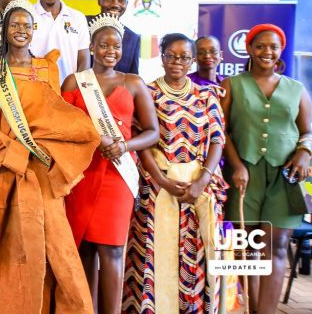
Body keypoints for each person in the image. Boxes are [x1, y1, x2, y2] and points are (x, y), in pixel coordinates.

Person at [0, 0, 99, 314]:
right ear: (5, 29)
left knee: (54, 241)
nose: (21, 30)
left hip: (37, 166)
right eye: (15, 24)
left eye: (26, 25)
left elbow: (56, 117)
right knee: (0, 241)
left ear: (33, 29)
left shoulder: (48, 67)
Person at [61, 13, 159, 313]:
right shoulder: (74, 82)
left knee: (113, 250)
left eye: (116, 46)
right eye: (104, 45)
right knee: (84, 249)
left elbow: (152, 132)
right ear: (92, 47)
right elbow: (62, 129)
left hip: (118, 176)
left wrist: (124, 145)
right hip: (82, 175)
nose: (110, 51)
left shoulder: (133, 83)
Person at [123, 33, 227, 314]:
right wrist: (161, 180)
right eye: (171, 55)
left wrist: (202, 181)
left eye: (184, 57)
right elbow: (142, 140)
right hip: (157, 186)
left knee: (195, 255)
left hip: (197, 186)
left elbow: (217, 140)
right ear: (162, 57)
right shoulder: (147, 92)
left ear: (192, 61)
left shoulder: (207, 95)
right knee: (151, 254)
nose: (177, 62)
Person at [220, 24, 311, 314]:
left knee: (278, 245)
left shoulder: (296, 89)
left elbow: (308, 131)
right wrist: (236, 165)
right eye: (260, 46)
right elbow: (221, 131)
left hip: (285, 177)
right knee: (247, 248)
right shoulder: (232, 85)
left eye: (273, 46)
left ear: (281, 50)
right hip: (244, 176)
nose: (267, 52)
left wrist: (305, 152)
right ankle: (252, 309)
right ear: (249, 49)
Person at [30, 0, 90, 84]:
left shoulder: (78, 18)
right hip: (34, 89)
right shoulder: (27, 16)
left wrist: (74, 88)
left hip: (69, 90)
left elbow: (84, 60)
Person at [86, 0, 141, 74]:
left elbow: (133, 75)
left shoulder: (133, 38)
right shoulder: (82, 25)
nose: (115, 4)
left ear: (127, 3)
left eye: (121, 0)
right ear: (99, 1)